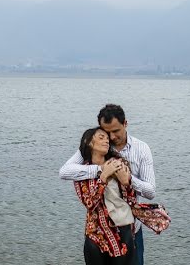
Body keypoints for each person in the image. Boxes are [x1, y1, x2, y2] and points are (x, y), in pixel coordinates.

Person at [60, 104, 156, 265]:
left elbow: (150, 191)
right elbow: (64, 172)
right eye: (106, 132)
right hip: (99, 233)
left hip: (129, 229)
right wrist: (101, 170)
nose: (110, 138)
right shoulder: (96, 145)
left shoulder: (141, 149)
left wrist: (129, 180)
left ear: (125, 124)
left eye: (115, 131)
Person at [74, 127, 137, 263]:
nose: (106, 141)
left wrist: (126, 183)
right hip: (96, 234)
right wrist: (103, 178)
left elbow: (131, 200)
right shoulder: (81, 171)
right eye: (101, 137)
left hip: (122, 231)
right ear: (89, 142)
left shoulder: (119, 164)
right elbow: (89, 203)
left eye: (107, 139)